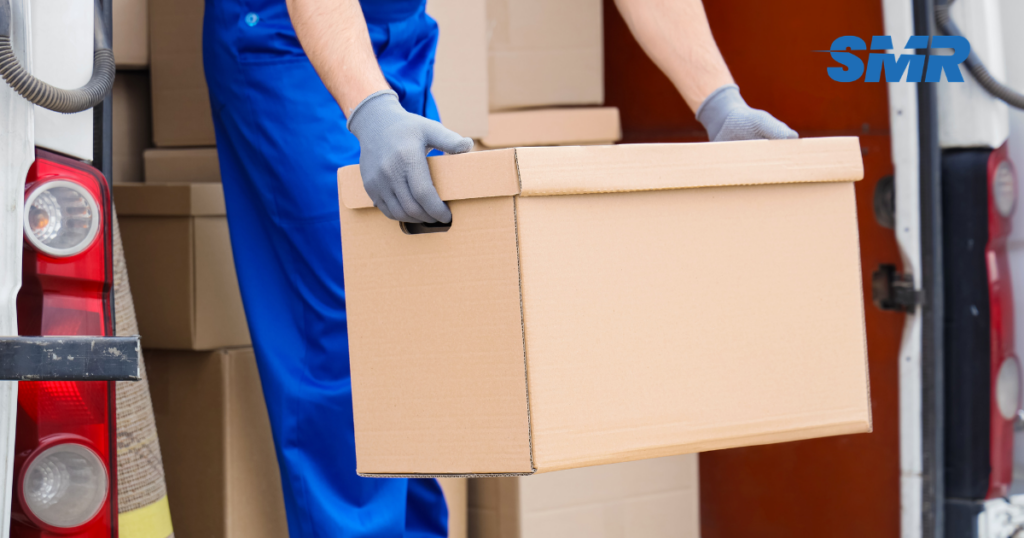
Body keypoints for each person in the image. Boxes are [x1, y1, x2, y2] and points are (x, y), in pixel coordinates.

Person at [202, 0, 797, 535]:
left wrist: (719, 103)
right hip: (286, 34)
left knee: (418, 329)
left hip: (399, 34)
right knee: (350, 329)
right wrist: (370, 107)